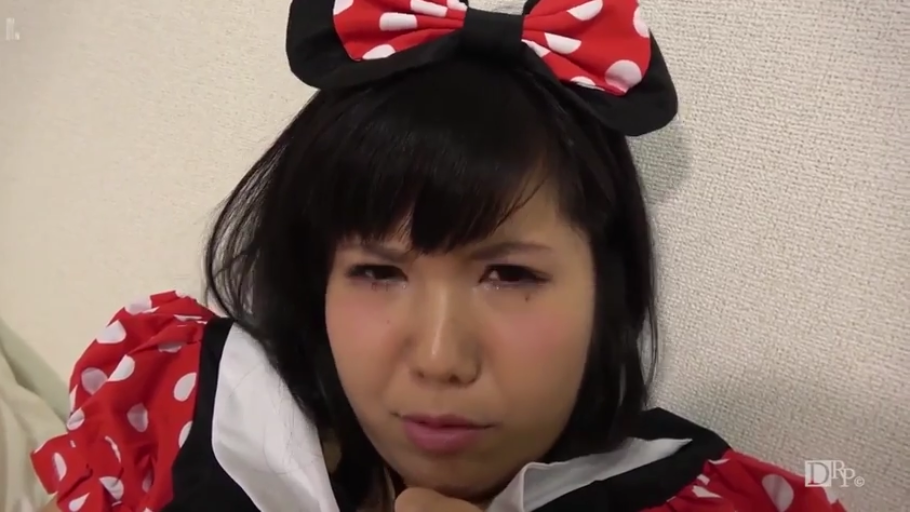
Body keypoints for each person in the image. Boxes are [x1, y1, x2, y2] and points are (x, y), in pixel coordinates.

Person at [31, 0, 849, 510]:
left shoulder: (707, 498)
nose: (438, 358)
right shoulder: (183, 417)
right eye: (377, 272)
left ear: (608, 287)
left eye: (510, 274)